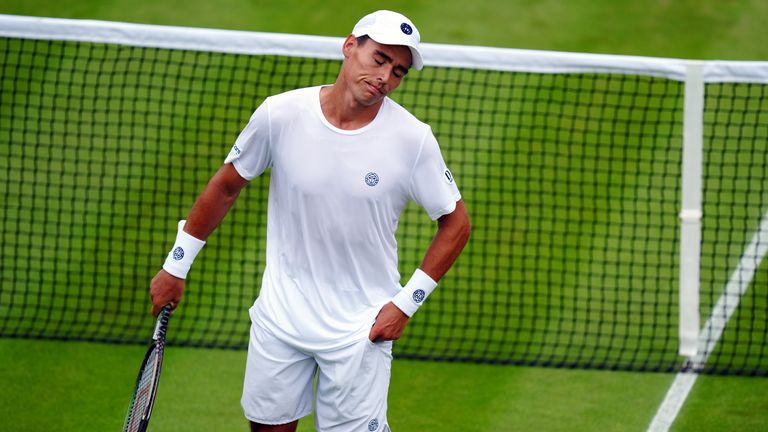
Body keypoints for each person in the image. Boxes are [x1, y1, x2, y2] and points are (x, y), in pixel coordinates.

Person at [150, 9, 470, 432]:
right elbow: (226, 186)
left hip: (361, 330)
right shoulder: (279, 114)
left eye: (398, 71)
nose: (385, 78)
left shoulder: (413, 140)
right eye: (379, 59)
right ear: (349, 46)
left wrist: (406, 304)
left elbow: (456, 223)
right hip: (281, 317)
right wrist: (176, 265)